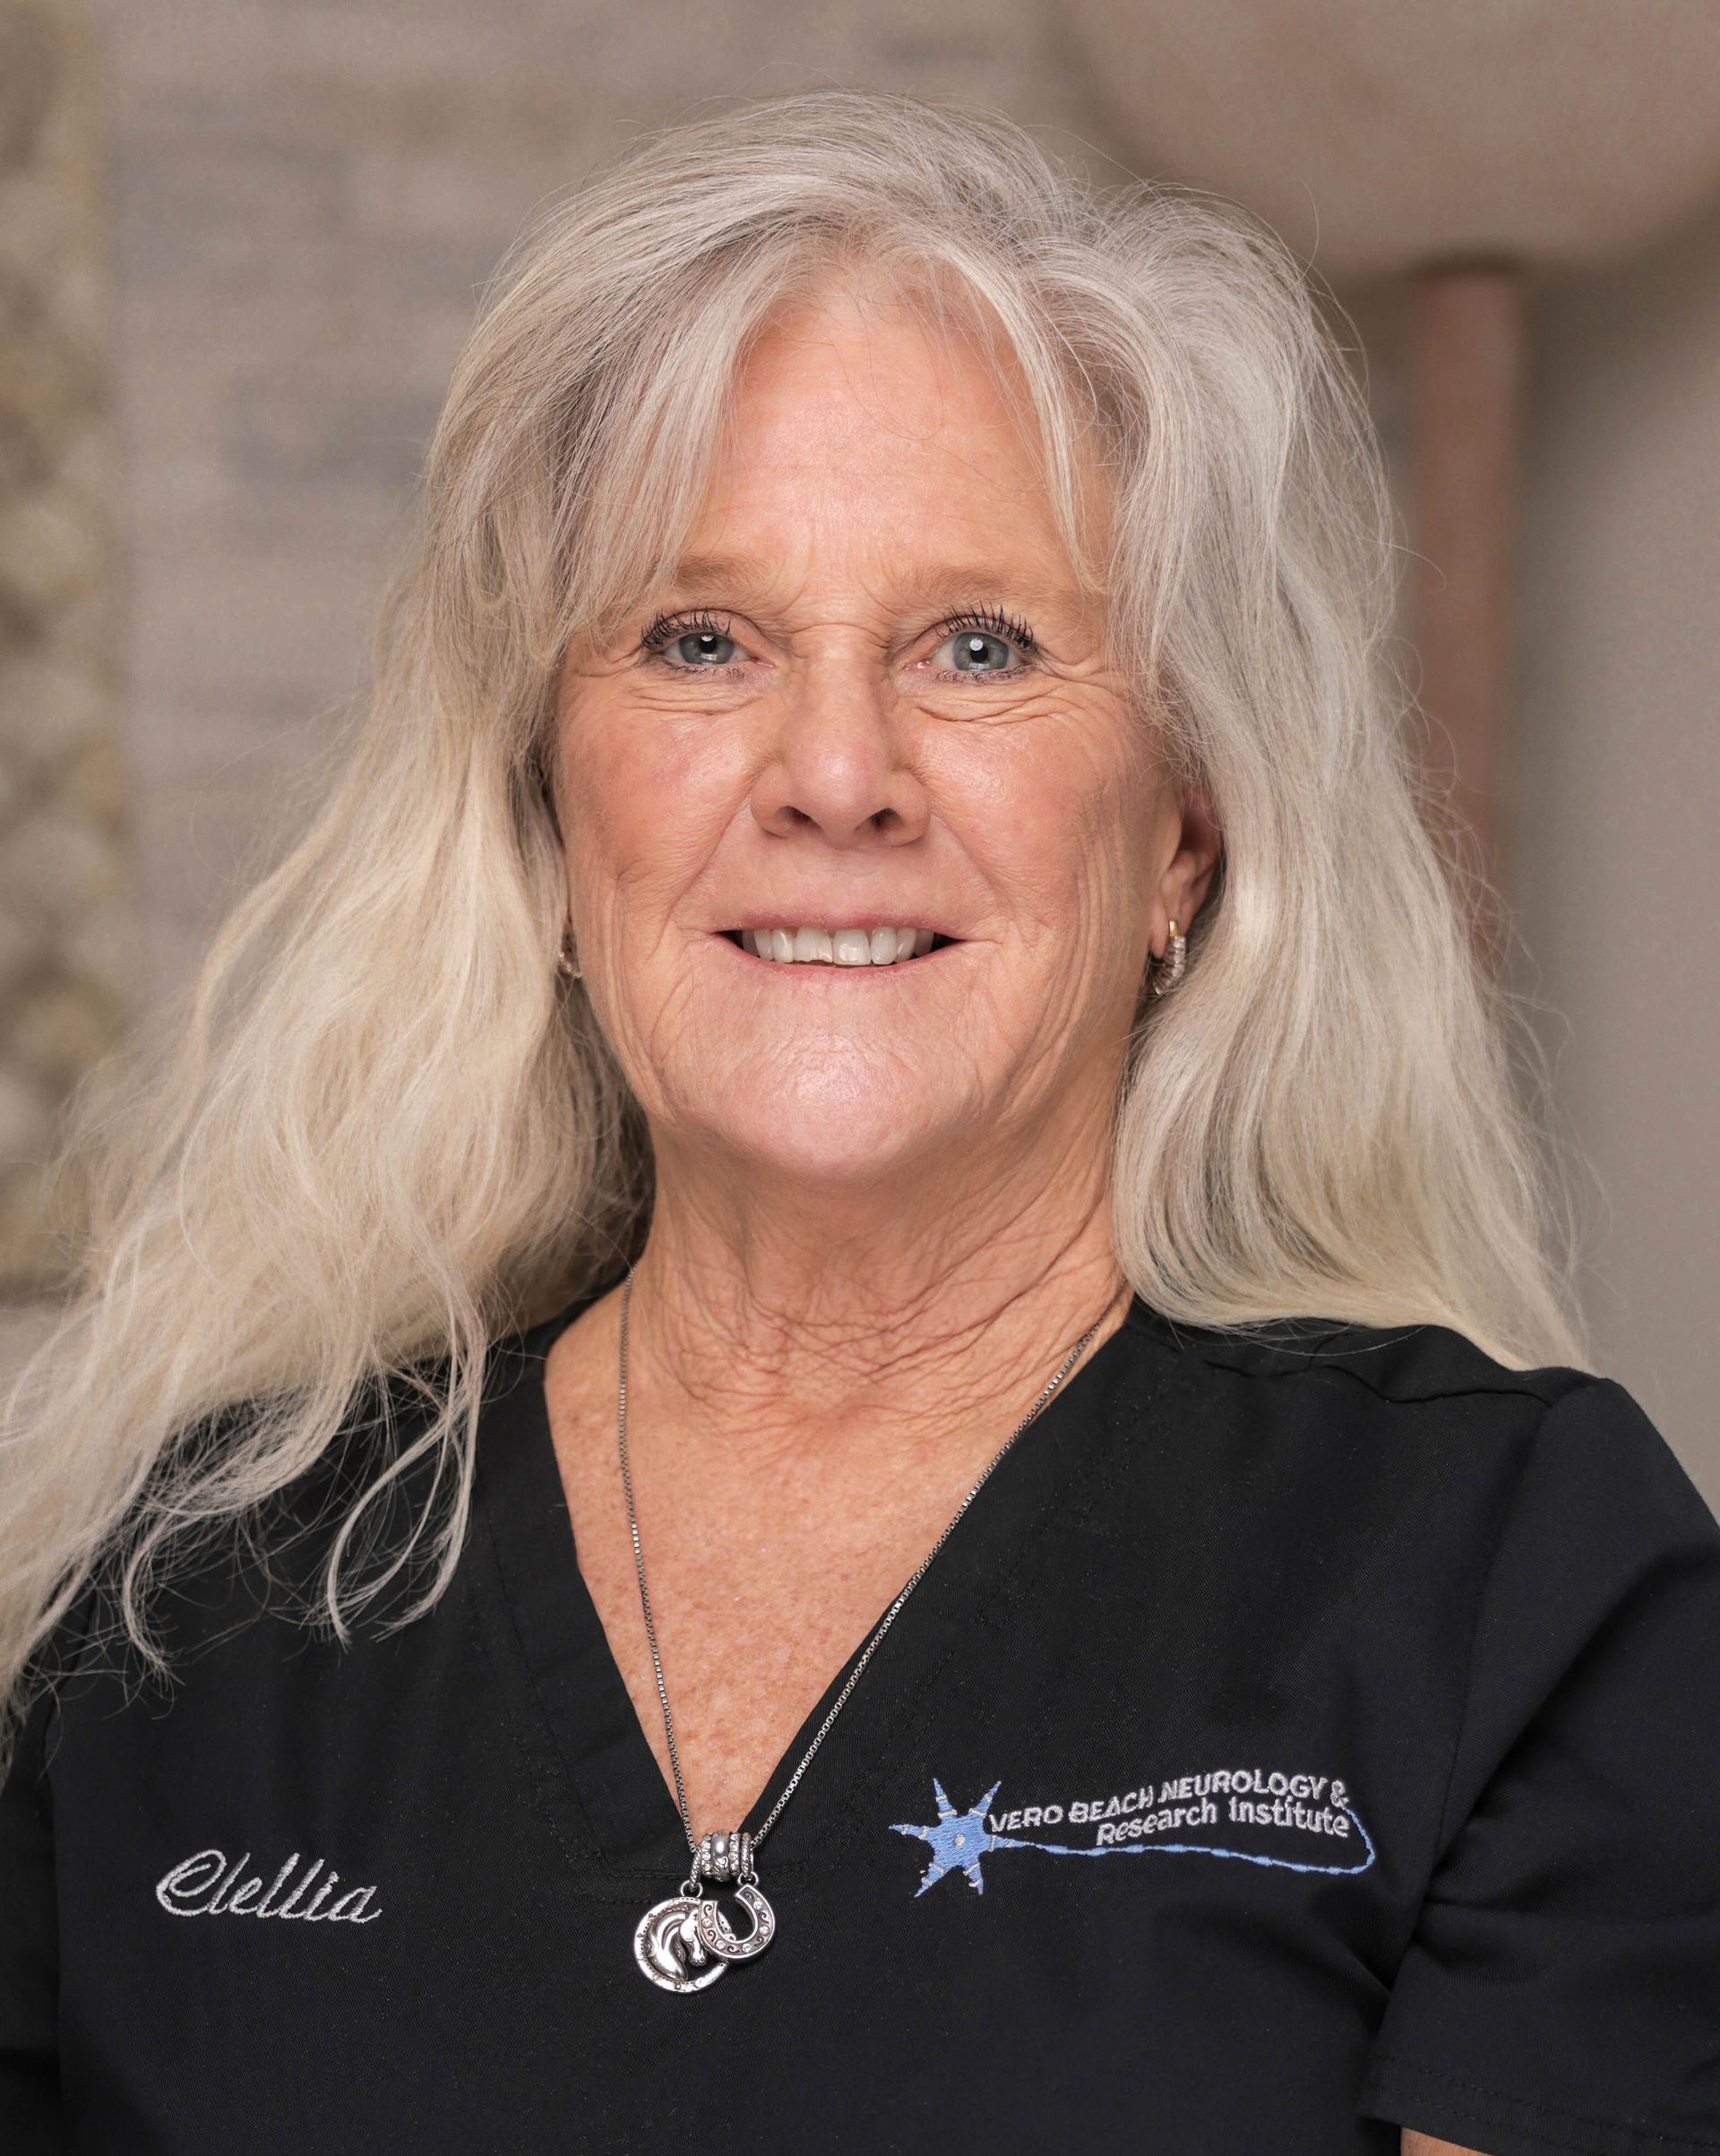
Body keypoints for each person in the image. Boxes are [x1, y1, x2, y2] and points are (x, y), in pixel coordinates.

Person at [2, 86, 1716, 2156]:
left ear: (1183, 839)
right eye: (701, 640)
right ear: (550, 819)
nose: (836, 772)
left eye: (978, 647)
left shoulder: (1512, 1578)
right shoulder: (185, 1616)